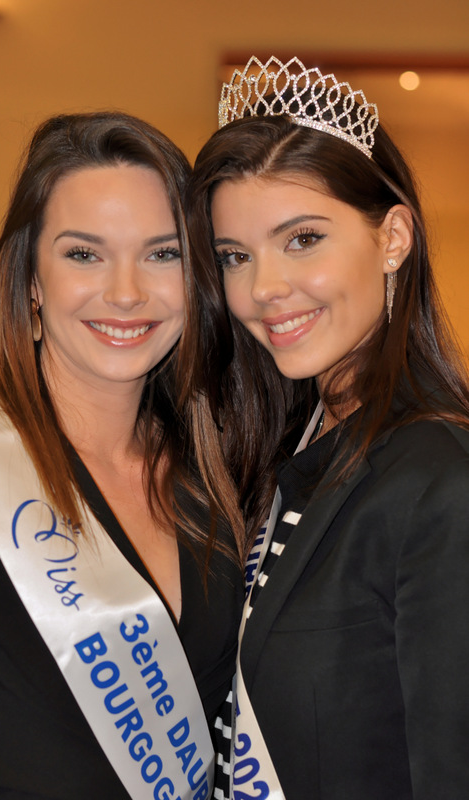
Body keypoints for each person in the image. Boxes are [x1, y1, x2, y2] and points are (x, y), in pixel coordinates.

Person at [0, 111, 243, 800]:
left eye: (163, 253)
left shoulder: (215, 479)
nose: (127, 292)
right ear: (32, 281)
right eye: (84, 254)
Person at [186, 56, 469, 799]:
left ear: (393, 238)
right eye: (234, 257)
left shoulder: (441, 481)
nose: (264, 288)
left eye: (303, 238)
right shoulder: (288, 444)